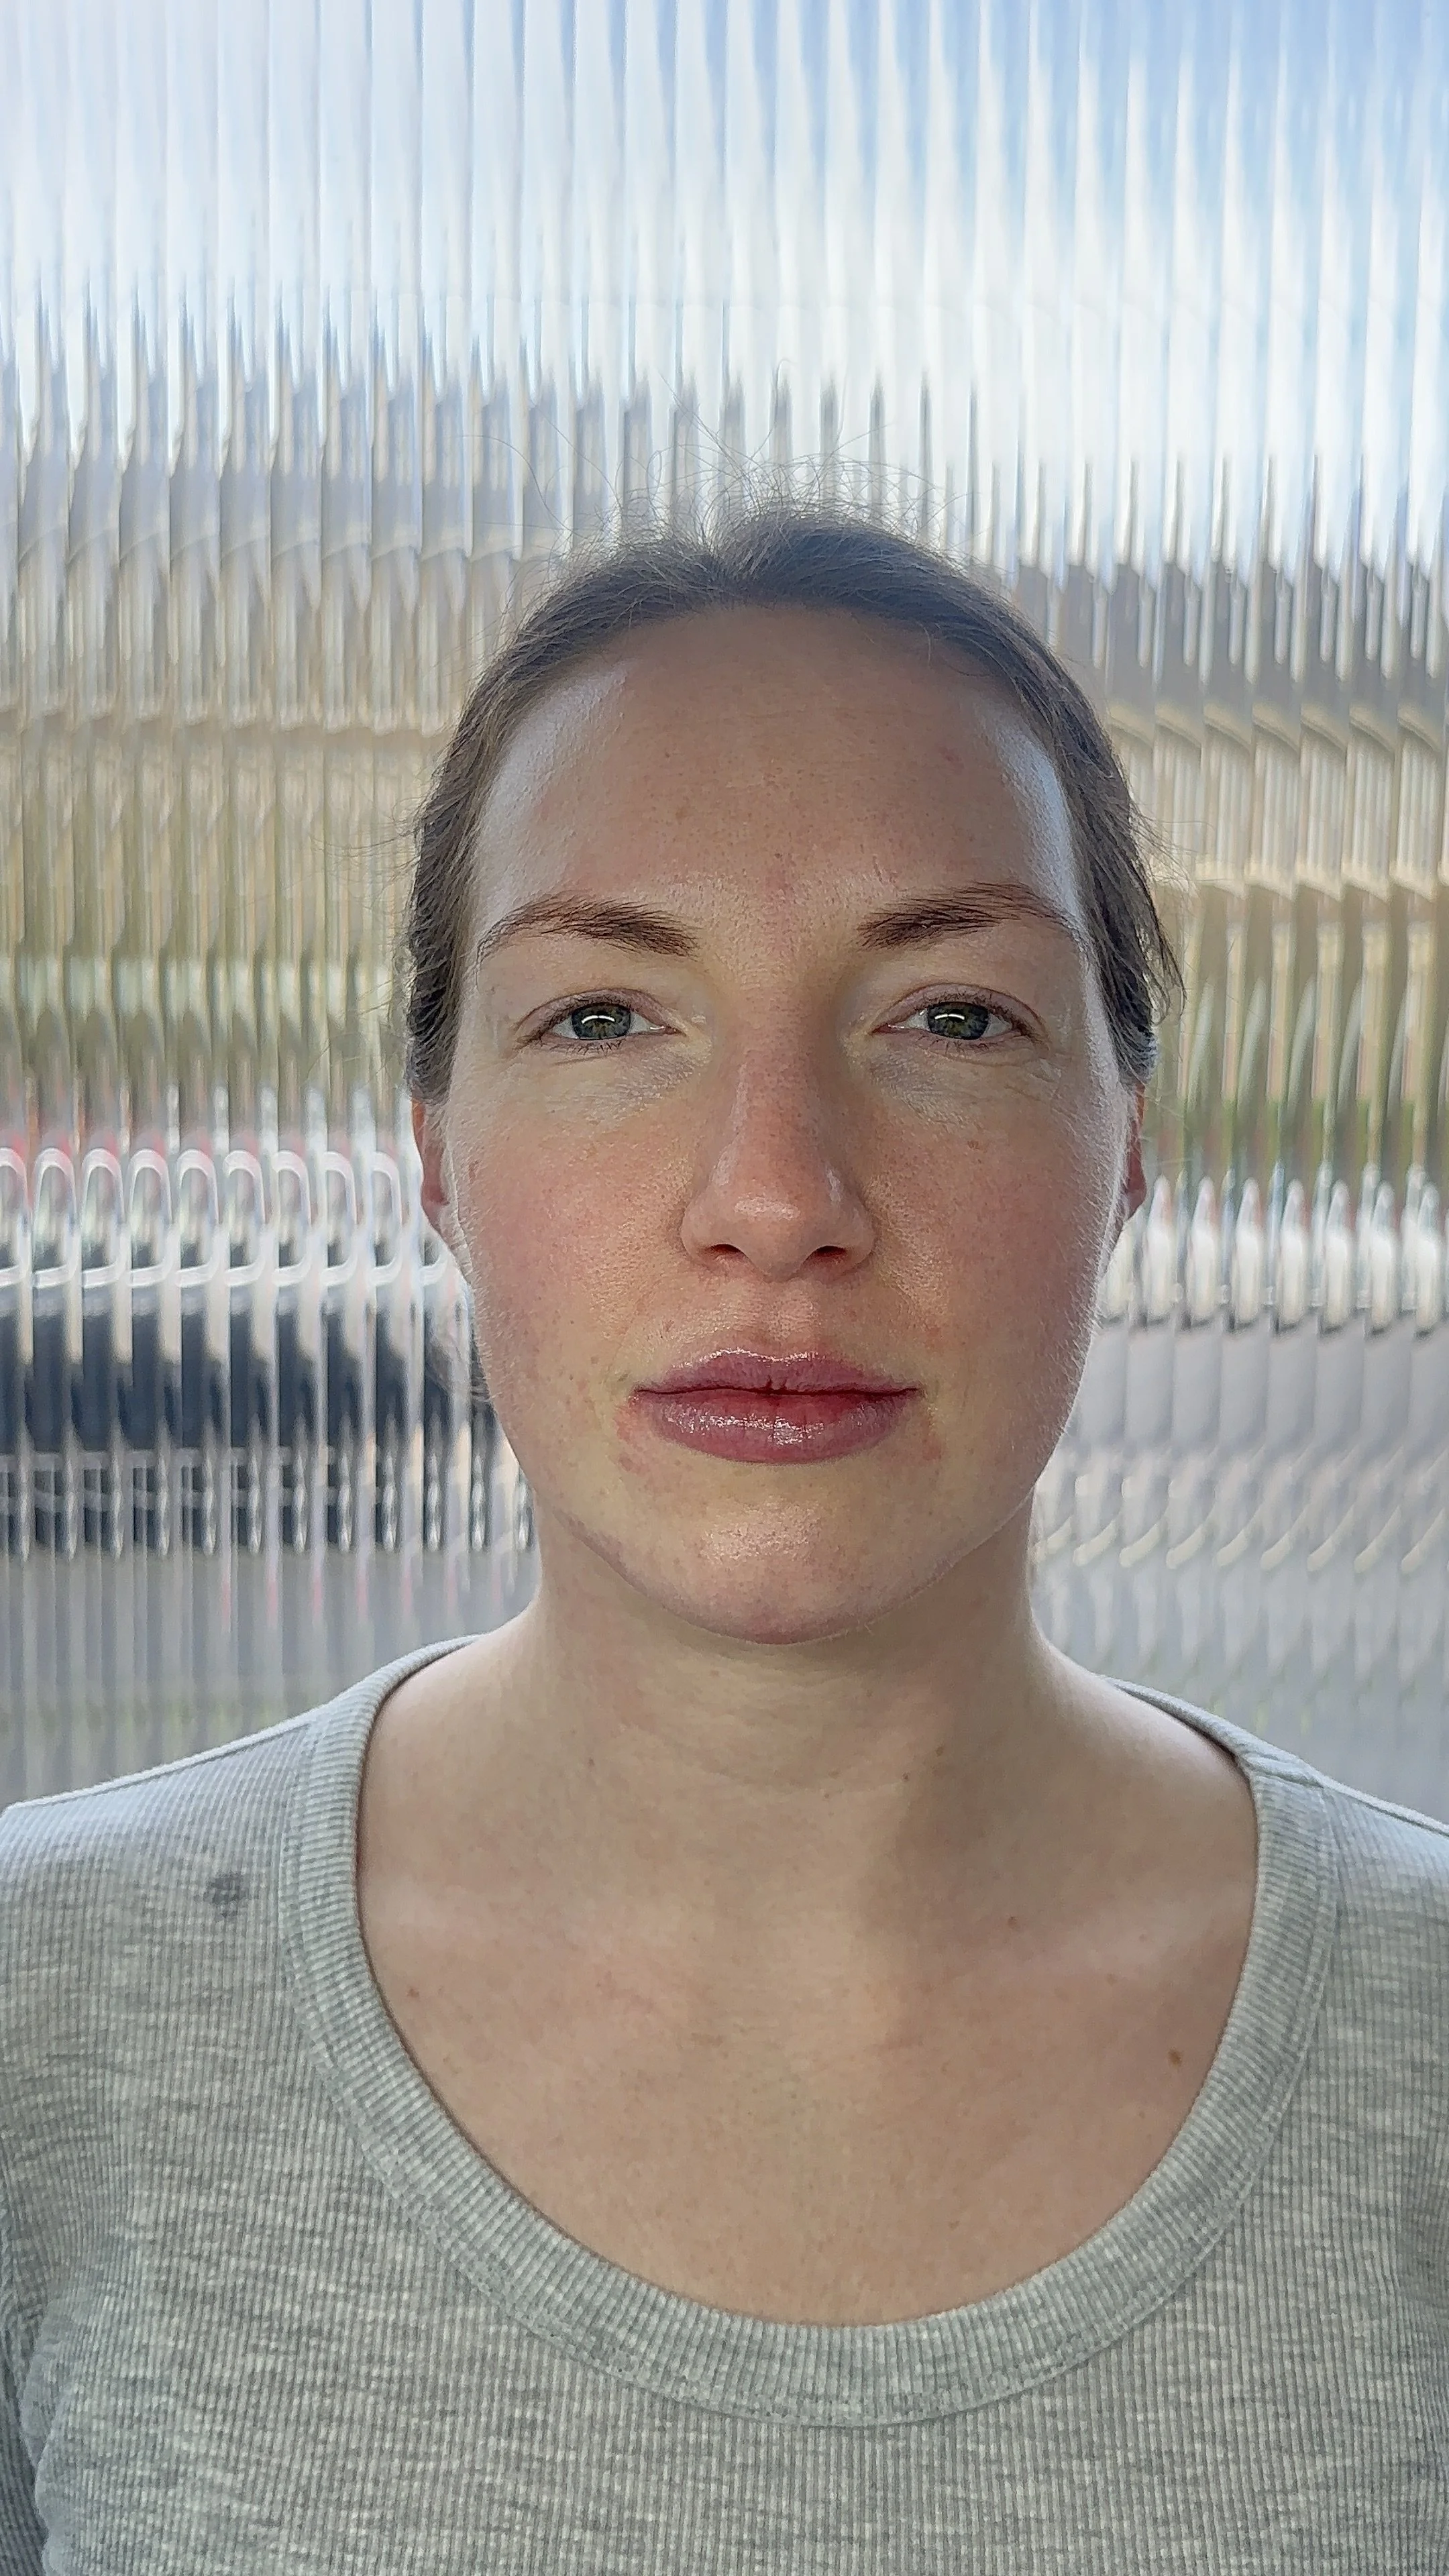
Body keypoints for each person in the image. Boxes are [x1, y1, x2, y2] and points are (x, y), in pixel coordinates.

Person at [3, 502, 1448, 2570]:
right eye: (604, 1018)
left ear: (1130, 1148)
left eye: (952, 1016)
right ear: (434, 1154)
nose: (776, 1197)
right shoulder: (42, 2015)